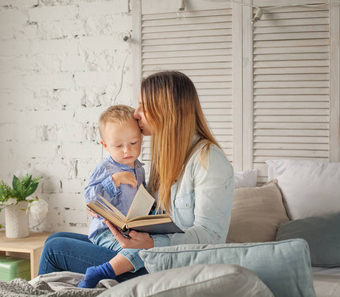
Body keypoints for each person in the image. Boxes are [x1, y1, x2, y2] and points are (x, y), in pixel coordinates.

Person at [38, 70, 234, 286]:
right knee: (54, 239)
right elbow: (149, 216)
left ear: (166, 111)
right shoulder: (168, 157)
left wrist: (151, 242)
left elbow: (210, 237)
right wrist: (108, 209)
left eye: (144, 106)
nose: (136, 114)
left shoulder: (209, 159)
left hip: (173, 265)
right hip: (146, 253)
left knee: (54, 250)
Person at [78, 105, 147, 288]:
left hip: (129, 229)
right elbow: (90, 198)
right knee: (141, 252)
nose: (127, 151)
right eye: (118, 146)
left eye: (133, 143)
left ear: (141, 138)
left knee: (152, 247)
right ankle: (100, 273)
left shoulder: (139, 168)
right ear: (105, 145)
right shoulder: (106, 169)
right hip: (106, 232)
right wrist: (114, 180)